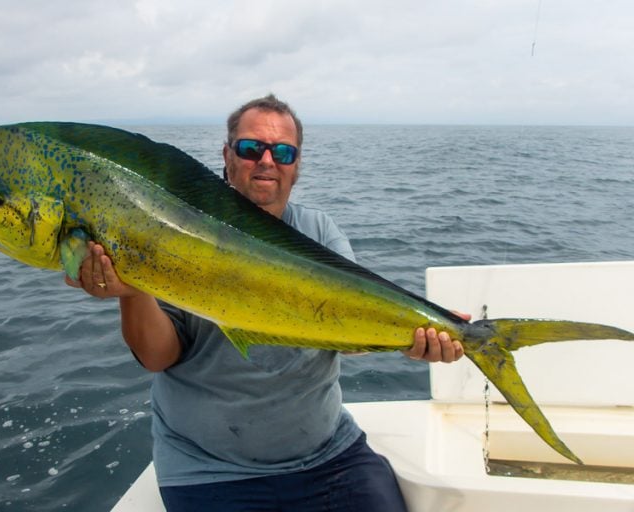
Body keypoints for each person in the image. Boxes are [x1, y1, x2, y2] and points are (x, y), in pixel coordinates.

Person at [66, 94, 466, 512]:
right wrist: (133, 289)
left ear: (297, 164)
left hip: (331, 457)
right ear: (227, 155)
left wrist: (418, 335)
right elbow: (156, 357)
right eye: (251, 148)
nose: (267, 161)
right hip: (210, 471)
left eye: (283, 152)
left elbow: (348, 333)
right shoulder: (169, 233)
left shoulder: (318, 231)